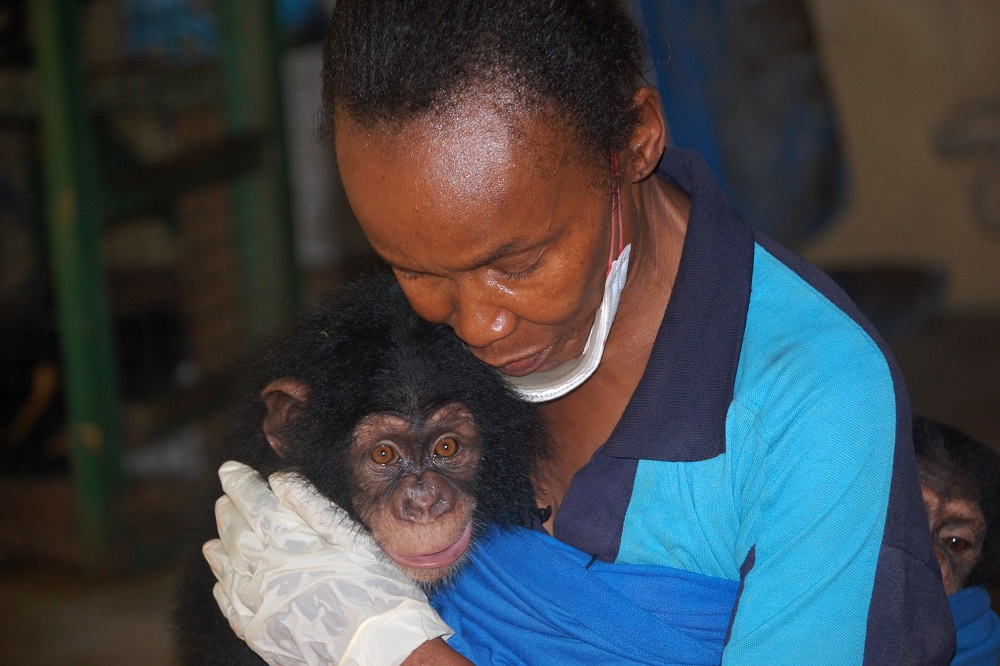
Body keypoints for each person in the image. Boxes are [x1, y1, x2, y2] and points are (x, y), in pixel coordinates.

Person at [203, 1, 956, 664]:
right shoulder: (402, 358)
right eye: (413, 268)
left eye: (519, 263)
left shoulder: (817, 400)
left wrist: (389, 650)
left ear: (636, 141)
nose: (478, 324)